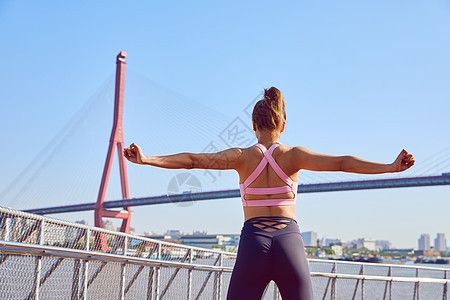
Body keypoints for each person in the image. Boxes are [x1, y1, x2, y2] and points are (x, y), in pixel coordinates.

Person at [123, 87, 415, 300]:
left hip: (253, 243)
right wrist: (390, 167)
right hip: (289, 241)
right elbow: (342, 163)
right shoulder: (294, 156)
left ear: (253, 127)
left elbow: (192, 160)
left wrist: (146, 159)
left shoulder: (240, 157)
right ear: (283, 125)